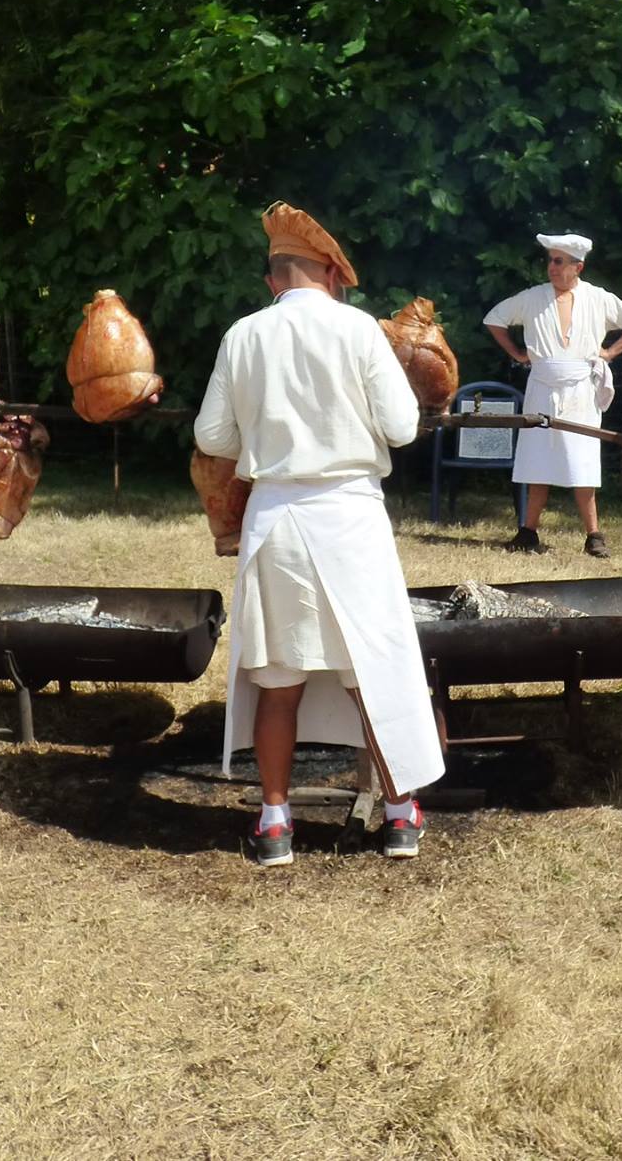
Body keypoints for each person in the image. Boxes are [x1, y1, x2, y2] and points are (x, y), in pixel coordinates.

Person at [194, 202, 446, 866]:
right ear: (330, 272)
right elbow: (401, 426)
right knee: (376, 673)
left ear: (276, 276)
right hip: (349, 517)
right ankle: (399, 817)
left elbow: (211, 436)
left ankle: (275, 824)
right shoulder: (360, 331)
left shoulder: (242, 335)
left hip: (276, 519)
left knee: (279, 680)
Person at [483, 232, 622, 558]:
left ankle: (594, 536)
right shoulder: (533, 298)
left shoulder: (597, 298)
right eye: (550, 260)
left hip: (580, 390)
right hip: (543, 386)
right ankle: (528, 532)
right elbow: (495, 319)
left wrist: (610, 352)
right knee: (537, 458)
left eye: (559, 261)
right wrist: (518, 354)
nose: (552, 267)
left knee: (582, 459)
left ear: (578, 266)